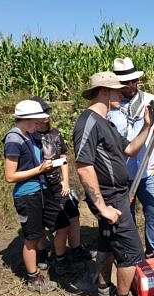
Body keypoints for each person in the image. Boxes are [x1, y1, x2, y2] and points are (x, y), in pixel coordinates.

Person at [72, 71, 153, 296]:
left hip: (117, 194)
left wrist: (148, 126)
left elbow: (128, 149)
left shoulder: (106, 123)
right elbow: (84, 167)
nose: (122, 93)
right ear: (105, 92)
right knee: (130, 253)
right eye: (118, 90)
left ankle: (103, 292)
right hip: (111, 199)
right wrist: (103, 207)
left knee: (106, 247)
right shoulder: (88, 122)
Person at [2, 100, 73, 293]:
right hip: (28, 194)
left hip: (43, 190)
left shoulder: (29, 135)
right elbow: (10, 176)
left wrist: (50, 165)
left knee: (62, 225)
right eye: (36, 121)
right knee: (32, 237)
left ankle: (60, 262)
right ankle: (33, 278)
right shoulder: (13, 139)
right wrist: (39, 169)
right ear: (25, 119)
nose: (39, 125)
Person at [108, 57, 154, 258]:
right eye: (126, 82)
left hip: (148, 171)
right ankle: (131, 255)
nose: (131, 85)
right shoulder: (111, 107)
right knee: (127, 218)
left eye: (134, 80)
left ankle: (153, 252)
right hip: (122, 174)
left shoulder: (151, 101)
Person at [30, 96, 93, 267]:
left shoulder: (55, 134)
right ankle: (43, 253)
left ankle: (76, 248)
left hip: (57, 183)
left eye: (47, 112)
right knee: (43, 222)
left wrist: (65, 181)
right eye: (42, 113)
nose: (46, 116)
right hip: (40, 185)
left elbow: (63, 158)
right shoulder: (30, 136)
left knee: (73, 215)